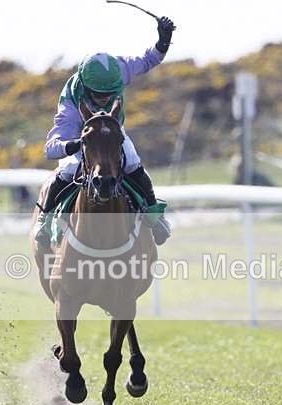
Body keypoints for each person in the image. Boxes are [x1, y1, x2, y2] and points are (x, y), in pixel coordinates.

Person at [33, 15, 177, 247]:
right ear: (86, 89)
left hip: (111, 132)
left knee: (132, 161)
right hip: (84, 137)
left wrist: (163, 41)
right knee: (68, 169)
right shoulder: (71, 105)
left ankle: (154, 214)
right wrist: (70, 146)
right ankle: (45, 218)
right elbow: (51, 149)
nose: (106, 98)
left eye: (110, 93)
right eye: (100, 95)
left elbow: (149, 59)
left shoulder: (119, 69)